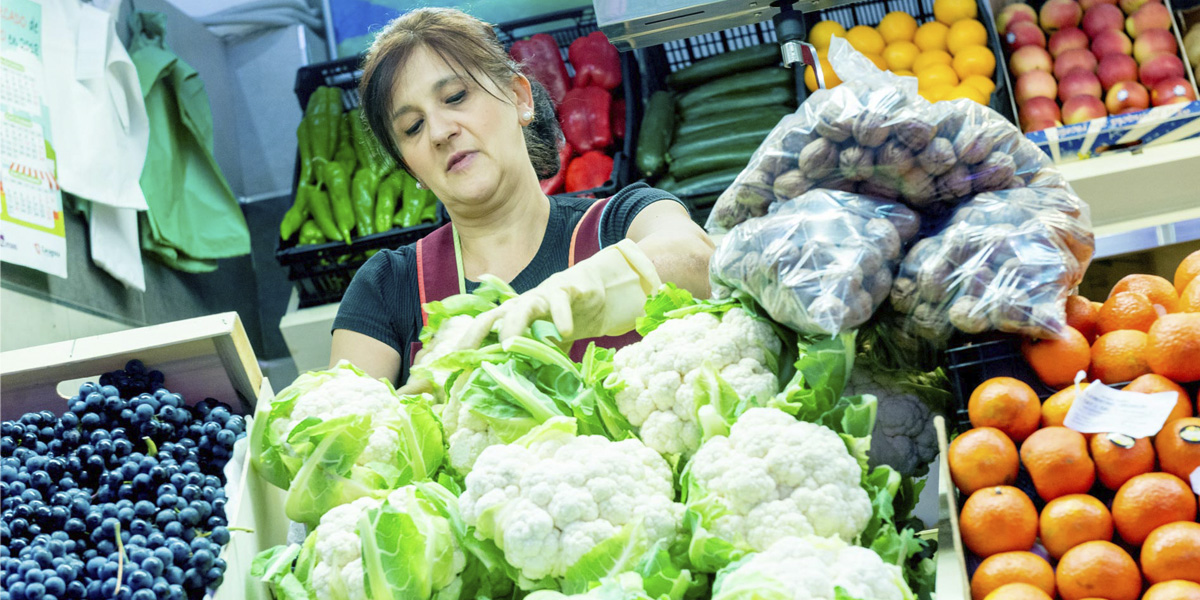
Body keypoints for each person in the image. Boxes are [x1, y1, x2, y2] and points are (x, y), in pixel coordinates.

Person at [330, 7, 714, 386]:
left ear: (519, 98)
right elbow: (347, 426)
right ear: (412, 168)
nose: (439, 131)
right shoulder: (387, 287)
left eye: (456, 96)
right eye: (413, 126)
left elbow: (698, 259)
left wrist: (570, 294)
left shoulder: (621, 221)